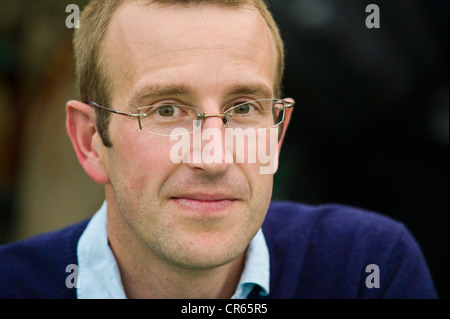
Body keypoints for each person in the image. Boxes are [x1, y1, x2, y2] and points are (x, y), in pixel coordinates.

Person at [0, 0, 437, 299]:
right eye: (167, 110)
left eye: (243, 107)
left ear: (277, 135)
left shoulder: (365, 267)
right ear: (90, 140)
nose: (212, 157)